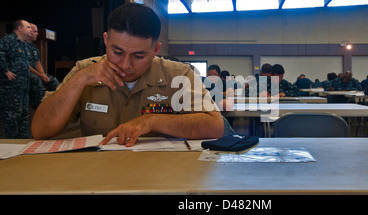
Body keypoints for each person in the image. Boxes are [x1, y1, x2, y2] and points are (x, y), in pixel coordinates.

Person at [31, 3, 224, 146]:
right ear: (106, 40)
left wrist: (151, 121)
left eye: (138, 56)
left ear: (156, 49)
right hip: (95, 174)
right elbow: (39, 130)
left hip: (161, 174)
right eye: (117, 52)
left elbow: (215, 126)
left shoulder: (178, 75)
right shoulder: (84, 70)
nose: (125, 64)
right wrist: (79, 81)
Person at [0, 20, 32, 138]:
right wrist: (5, 71)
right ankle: (12, 144)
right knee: (12, 118)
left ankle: (23, 143)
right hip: (11, 88)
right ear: (20, 28)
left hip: (23, 88)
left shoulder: (23, 44)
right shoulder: (8, 40)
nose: (30, 29)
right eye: (28, 27)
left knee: (23, 116)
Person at [26, 23, 59, 109]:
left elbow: (38, 63)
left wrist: (43, 74)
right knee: (36, 80)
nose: (37, 33)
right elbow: (26, 66)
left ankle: (54, 104)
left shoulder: (34, 48)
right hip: (26, 72)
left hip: (36, 73)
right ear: (29, 32)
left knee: (53, 80)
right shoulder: (21, 46)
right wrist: (40, 75)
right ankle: (38, 107)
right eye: (35, 31)